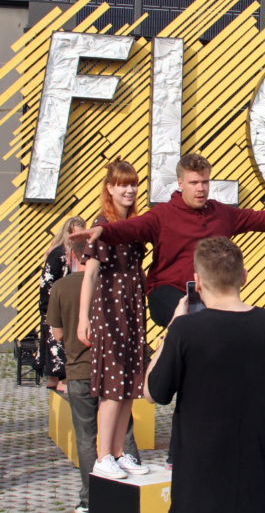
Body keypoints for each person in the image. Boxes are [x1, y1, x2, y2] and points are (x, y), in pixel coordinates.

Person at [71, 153, 265, 327]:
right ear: (181, 183)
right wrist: (104, 231)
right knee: (194, 318)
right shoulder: (163, 215)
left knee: (230, 322)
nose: (201, 188)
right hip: (167, 292)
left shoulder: (221, 213)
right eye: (194, 183)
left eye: (205, 182)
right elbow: (131, 228)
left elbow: (259, 219)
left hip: (207, 294)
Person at [145, 237, 265, 512]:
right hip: (264, 479)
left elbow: (152, 392)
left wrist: (172, 325)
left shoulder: (185, 331)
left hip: (200, 484)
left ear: (198, 281)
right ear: (244, 276)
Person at [46, 236, 141, 513]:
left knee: (87, 437)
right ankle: (130, 491)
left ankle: (90, 499)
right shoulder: (110, 282)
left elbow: (57, 333)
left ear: (73, 257)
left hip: (78, 370)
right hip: (113, 368)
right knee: (123, 432)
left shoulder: (61, 287)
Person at [77, 159, 149, 479]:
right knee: (112, 386)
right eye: (122, 184)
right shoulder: (100, 224)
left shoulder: (134, 226)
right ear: (109, 187)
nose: (129, 189)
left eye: (132, 183)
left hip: (133, 311)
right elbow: (89, 276)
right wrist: (83, 319)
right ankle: (102, 454)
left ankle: (120, 453)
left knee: (129, 386)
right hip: (109, 311)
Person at [38, 216, 86, 391]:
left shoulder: (80, 252)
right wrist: (49, 306)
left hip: (75, 301)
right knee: (57, 338)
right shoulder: (58, 254)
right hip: (59, 302)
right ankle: (57, 379)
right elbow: (47, 282)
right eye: (76, 233)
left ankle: (61, 380)